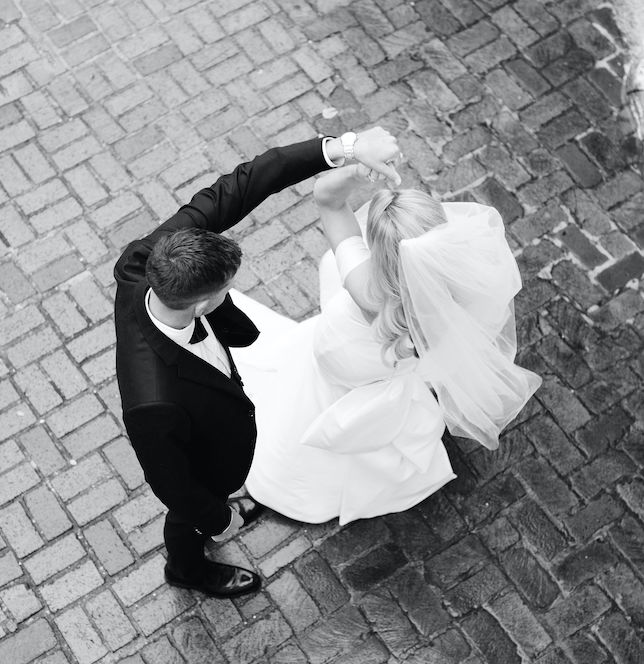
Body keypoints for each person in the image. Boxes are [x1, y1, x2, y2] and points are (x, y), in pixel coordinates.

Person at [113, 127, 401, 599]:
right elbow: (173, 485)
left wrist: (348, 147)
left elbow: (250, 180)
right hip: (206, 469)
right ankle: (186, 570)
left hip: (204, 374)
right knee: (189, 521)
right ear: (201, 303)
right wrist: (218, 518)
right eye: (227, 288)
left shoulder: (146, 260)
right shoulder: (154, 403)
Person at [232, 163, 542, 525]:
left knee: (303, 415)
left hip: (335, 366)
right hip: (374, 377)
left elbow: (328, 199)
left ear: (379, 251)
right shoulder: (456, 304)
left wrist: (355, 166)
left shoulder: (364, 285)